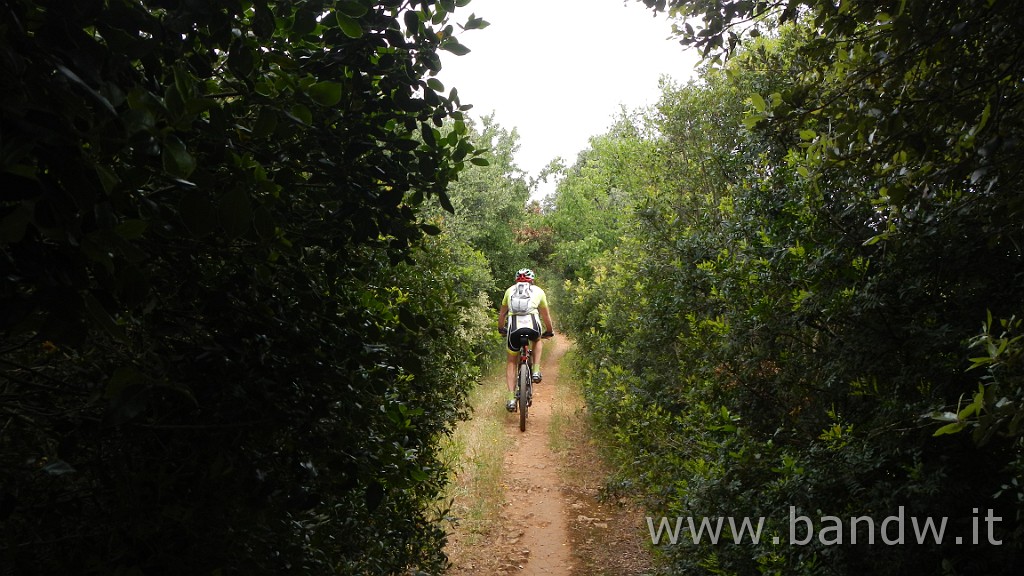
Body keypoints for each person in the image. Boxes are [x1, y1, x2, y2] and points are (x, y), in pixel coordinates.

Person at [497, 268, 554, 412]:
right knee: (538, 340)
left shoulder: (509, 291)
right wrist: (550, 330)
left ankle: (511, 399)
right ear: (532, 280)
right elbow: (546, 316)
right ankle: (535, 370)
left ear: (516, 280)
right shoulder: (539, 291)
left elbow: (502, 314)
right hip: (533, 327)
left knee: (511, 361)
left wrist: (501, 328)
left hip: (514, 329)